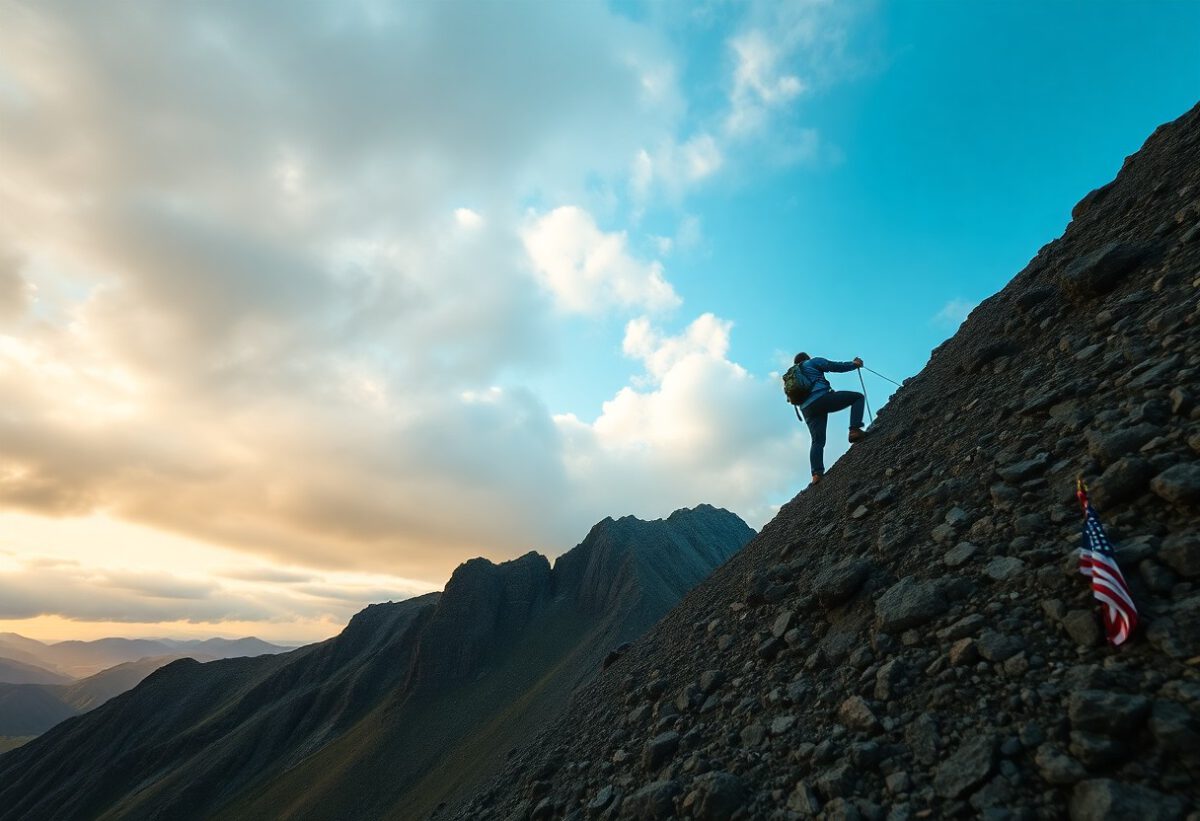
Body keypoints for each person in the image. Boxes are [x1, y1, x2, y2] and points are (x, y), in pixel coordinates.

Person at [793, 352, 867, 485]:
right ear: (806, 359)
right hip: (822, 398)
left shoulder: (794, 376)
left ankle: (816, 474)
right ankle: (854, 430)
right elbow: (833, 366)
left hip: (807, 410)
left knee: (817, 441)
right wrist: (854, 364)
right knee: (857, 398)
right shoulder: (812, 362)